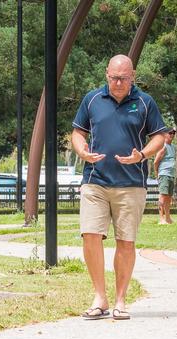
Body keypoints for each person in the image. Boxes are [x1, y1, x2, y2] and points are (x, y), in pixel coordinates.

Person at [71, 54, 166, 320]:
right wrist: (83, 152)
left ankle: (121, 300)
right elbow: (78, 132)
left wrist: (143, 155)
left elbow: (160, 135)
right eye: (114, 77)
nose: (118, 82)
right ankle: (100, 297)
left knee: (125, 241)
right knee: (90, 234)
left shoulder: (145, 102)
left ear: (133, 76)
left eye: (123, 78)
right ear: (106, 74)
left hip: (131, 183)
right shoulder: (92, 99)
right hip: (95, 180)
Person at [154, 127, 176, 225]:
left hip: (171, 175)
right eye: (170, 133)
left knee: (169, 197)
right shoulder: (163, 147)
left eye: (173, 133)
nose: (172, 135)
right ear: (165, 135)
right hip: (164, 174)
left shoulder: (173, 147)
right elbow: (155, 162)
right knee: (162, 196)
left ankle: (168, 218)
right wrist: (157, 174)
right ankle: (161, 218)